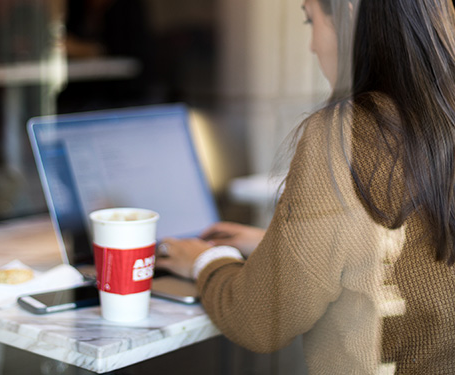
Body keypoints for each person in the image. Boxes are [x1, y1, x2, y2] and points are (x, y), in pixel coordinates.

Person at [157, 0, 455, 373]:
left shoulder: (346, 136)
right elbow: (412, 252)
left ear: (349, 13)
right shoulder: (442, 115)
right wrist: (280, 243)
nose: (312, 45)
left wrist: (204, 261)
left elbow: (261, 320)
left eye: (310, 20)